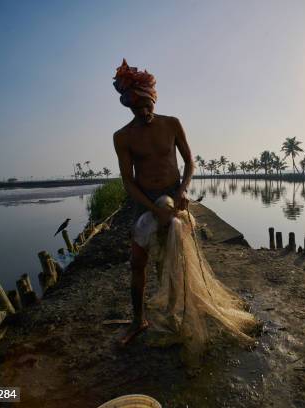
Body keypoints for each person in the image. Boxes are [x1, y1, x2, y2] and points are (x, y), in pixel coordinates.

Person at [112, 59, 195, 345]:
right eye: (138, 107)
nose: (145, 111)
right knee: (138, 262)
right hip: (144, 202)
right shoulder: (123, 137)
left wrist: (182, 191)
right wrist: (152, 208)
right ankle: (139, 319)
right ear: (129, 107)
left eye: (148, 104)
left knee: (172, 259)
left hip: (173, 197)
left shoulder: (172, 124)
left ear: (153, 98)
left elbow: (189, 162)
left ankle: (173, 314)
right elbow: (128, 181)